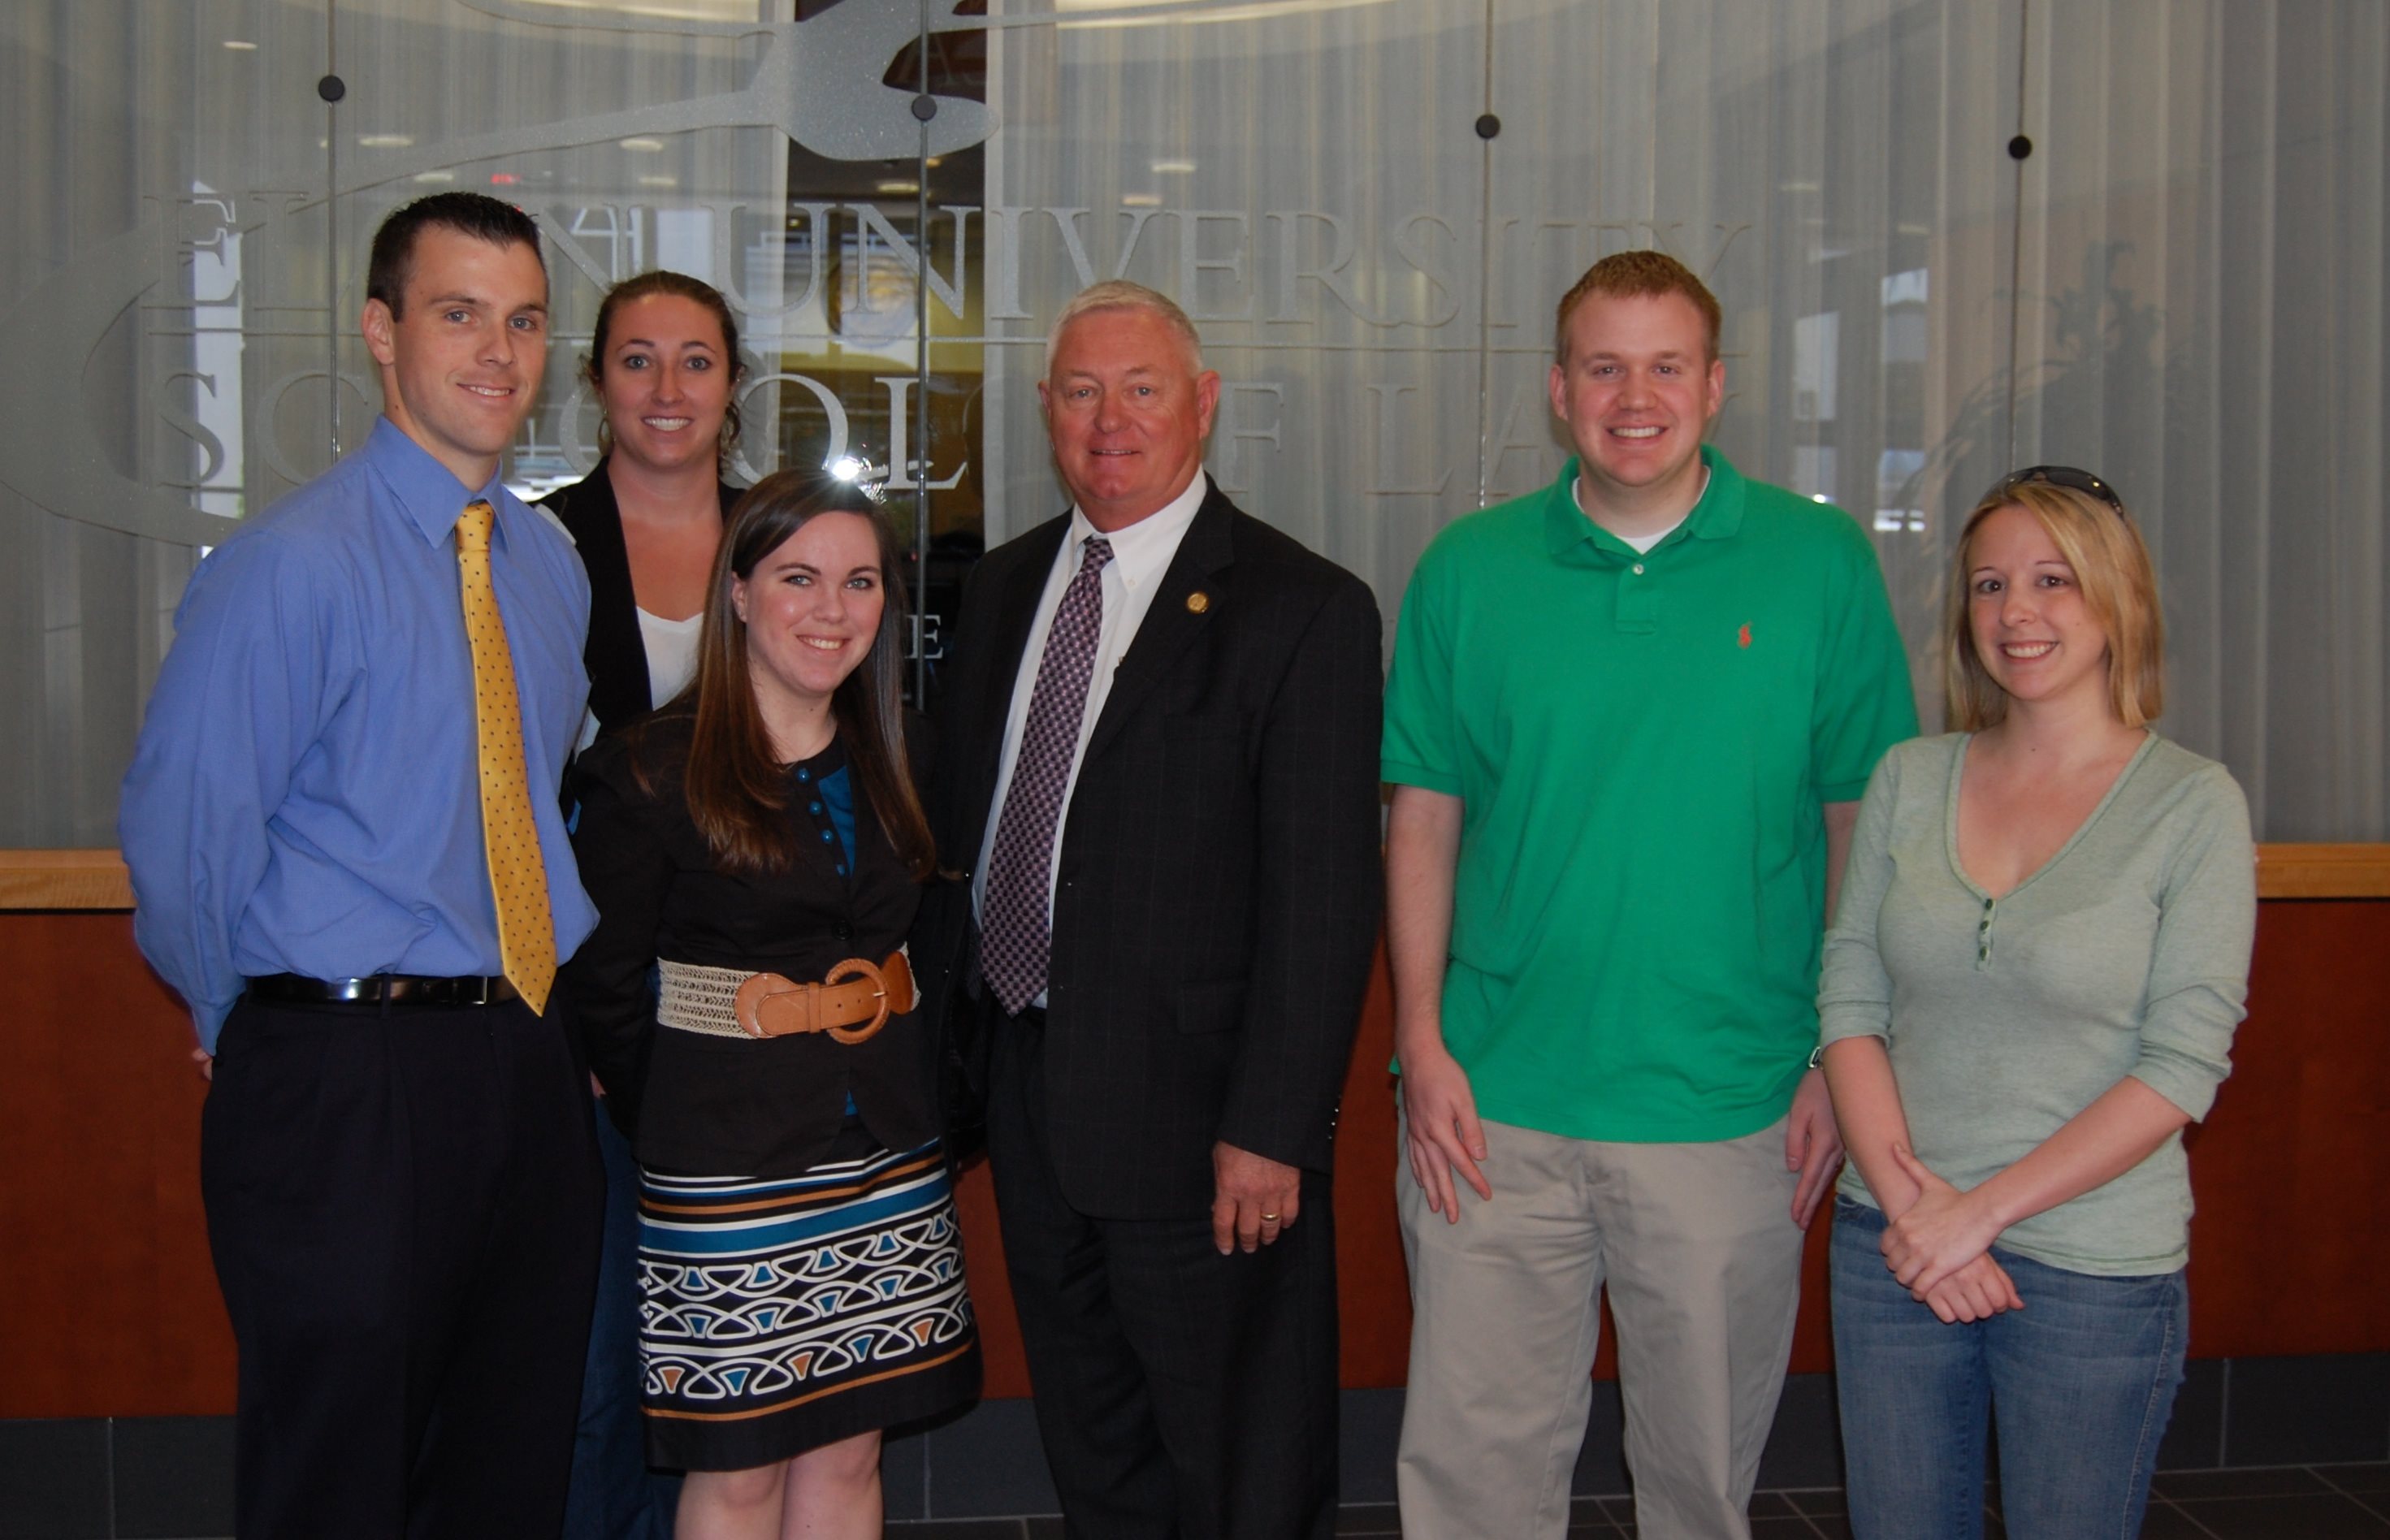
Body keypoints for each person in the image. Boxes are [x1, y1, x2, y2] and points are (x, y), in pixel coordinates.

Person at [1382, 249, 1917, 1540]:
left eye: (1665, 365)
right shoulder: (1467, 569)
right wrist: (1419, 1042)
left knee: (1698, 1484)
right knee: (1471, 1483)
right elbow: (1422, 820)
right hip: (1494, 1110)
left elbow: (1866, 827)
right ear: (1558, 391)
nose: (1636, 395)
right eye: (1604, 367)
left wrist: (1835, 1063)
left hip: (1730, 1109)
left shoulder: (1818, 562)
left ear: (1715, 386)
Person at [118, 191, 603, 1538]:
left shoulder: (547, 564)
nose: (497, 353)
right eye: (459, 315)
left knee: (509, 1460)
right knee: (341, 1471)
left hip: (522, 1059)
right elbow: (184, 832)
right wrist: (245, 1023)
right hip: (344, 1075)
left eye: (522, 321)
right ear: (381, 332)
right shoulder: (288, 566)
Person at [913, 279, 1383, 1538]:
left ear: (1203, 406)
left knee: (1238, 1456)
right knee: (1094, 1439)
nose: (1107, 419)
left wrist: (1273, 1127)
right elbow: (962, 833)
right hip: (1026, 1085)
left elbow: (1324, 900)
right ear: (1045, 410)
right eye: (1079, 390)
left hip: (1207, 1129)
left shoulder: (1302, 609)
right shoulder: (1003, 590)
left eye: (1140, 388)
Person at [1817, 467, 2256, 1539]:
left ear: (2117, 601)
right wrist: (1919, 1211)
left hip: (2090, 1270)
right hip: (1895, 1248)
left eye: (2052, 581)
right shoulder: (1910, 778)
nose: (2016, 613)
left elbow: (2180, 1065)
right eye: (1987, 586)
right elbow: (1846, 999)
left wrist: (1981, 1214)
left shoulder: (2191, 804)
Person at [558, 469, 981, 1540]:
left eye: (858, 582)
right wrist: (678, 1110)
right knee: (740, 1465)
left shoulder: (903, 754)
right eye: (798, 578)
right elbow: (601, 985)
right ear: (738, 592)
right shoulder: (647, 769)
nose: (831, 611)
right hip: (723, 1162)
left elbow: (929, 939)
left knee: (847, 1452)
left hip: (882, 1145)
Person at [540, 269, 748, 1540]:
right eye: (635, 360)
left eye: (694, 360)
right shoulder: (535, 545)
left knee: (718, 1355)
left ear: (734, 389)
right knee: (601, 1350)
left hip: (749, 1008)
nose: (666, 390)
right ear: (595, 383)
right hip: (590, 1002)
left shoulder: (782, 542)